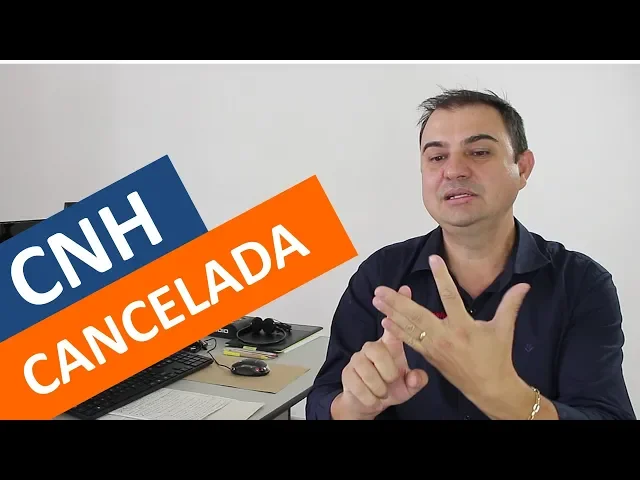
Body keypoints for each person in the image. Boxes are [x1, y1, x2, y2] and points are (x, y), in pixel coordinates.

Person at [305, 88, 636, 420]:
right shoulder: (381, 276)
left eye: (478, 152)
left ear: (522, 168)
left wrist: (511, 399)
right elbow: (322, 398)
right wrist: (356, 406)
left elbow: (607, 413)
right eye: (437, 157)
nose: (454, 171)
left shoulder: (581, 284)